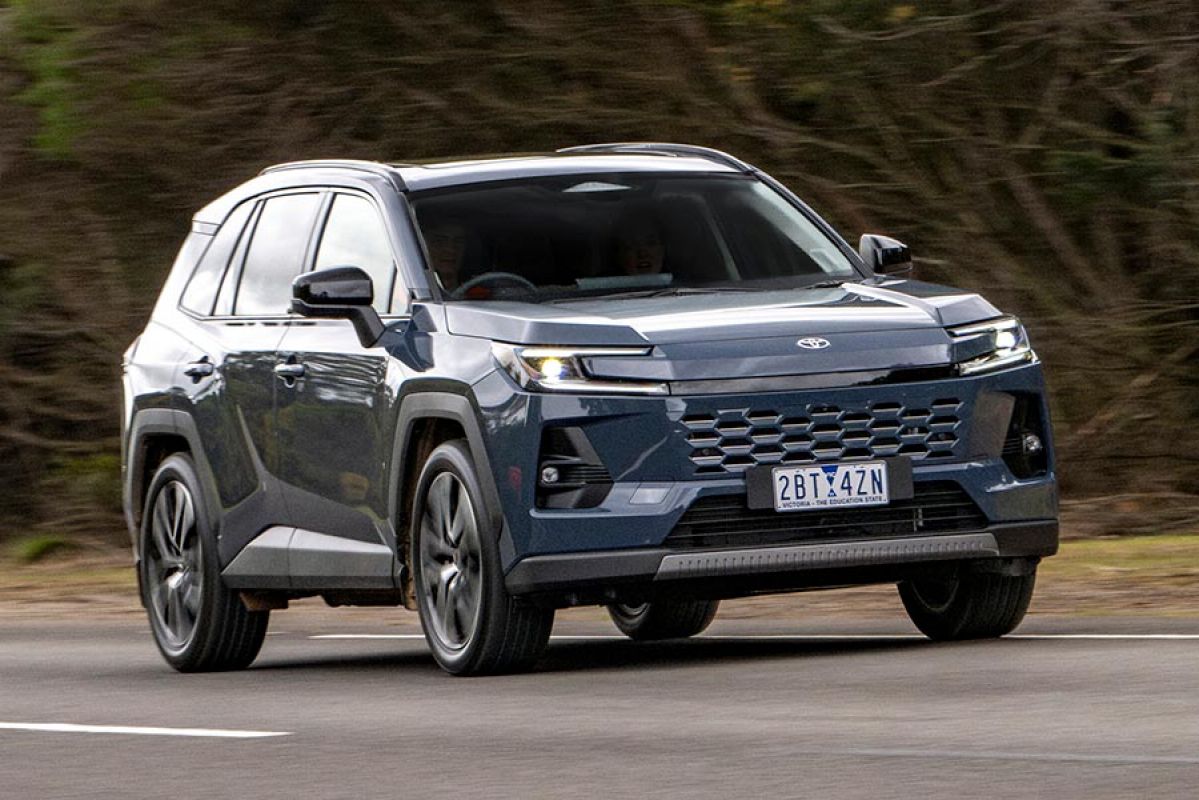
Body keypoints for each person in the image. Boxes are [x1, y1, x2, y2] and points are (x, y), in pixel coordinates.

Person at [422, 220, 467, 291]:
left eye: (458, 242)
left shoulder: (479, 293)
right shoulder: (410, 291)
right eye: (439, 241)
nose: (451, 250)